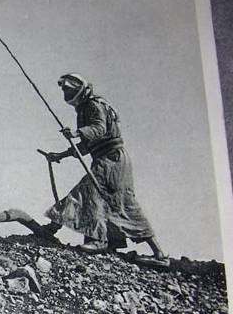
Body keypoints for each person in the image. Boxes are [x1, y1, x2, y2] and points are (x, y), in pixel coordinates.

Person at [39, 73, 168, 267]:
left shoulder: (94, 105)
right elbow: (86, 146)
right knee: (119, 202)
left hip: (111, 159)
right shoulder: (85, 109)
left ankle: (87, 237)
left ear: (80, 90)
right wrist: (60, 156)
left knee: (88, 192)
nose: (67, 94)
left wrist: (76, 132)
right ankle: (158, 254)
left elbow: (98, 129)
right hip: (109, 158)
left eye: (69, 90)